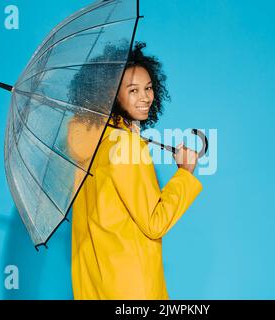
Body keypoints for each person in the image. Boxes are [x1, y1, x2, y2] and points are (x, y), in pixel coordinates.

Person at [70, 42, 203, 300]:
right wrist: (185, 173)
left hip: (94, 286)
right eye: (133, 90)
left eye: (149, 88)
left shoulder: (92, 141)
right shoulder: (125, 146)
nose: (145, 97)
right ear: (110, 94)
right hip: (134, 291)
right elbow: (155, 222)